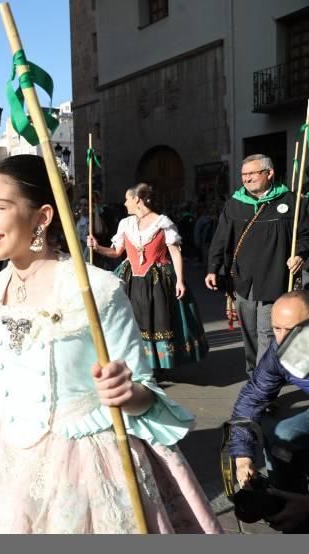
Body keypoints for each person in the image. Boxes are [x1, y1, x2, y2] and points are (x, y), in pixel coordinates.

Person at [0, 155, 220, 533]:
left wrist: (124, 390)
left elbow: (144, 392)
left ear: (43, 216)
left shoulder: (95, 288)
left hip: (80, 466)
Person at [205, 154, 309, 374]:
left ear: (269, 173)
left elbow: (306, 235)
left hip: (274, 280)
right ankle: (254, 375)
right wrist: (212, 268)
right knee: (250, 333)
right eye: (244, 174)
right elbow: (221, 238)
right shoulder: (235, 204)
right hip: (242, 281)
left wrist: (299, 253)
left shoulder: (292, 202)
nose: (247, 179)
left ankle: (262, 386)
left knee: (267, 333)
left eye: (252, 173)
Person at [87, 183, 208, 370]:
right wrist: (97, 247)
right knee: (130, 320)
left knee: (156, 320)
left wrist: (181, 280)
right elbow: (117, 251)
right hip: (130, 279)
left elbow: (175, 253)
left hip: (157, 280)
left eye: (127, 199)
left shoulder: (163, 223)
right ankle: (135, 363)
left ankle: (154, 364)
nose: (125, 203)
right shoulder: (125, 224)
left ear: (137, 199)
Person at [229, 290, 309, 532]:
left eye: (293, 330)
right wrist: (243, 455)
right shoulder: (279, 352)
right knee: (279, 436)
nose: (283, 339)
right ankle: (286, 503)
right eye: (277, 328)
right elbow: (252, 399)